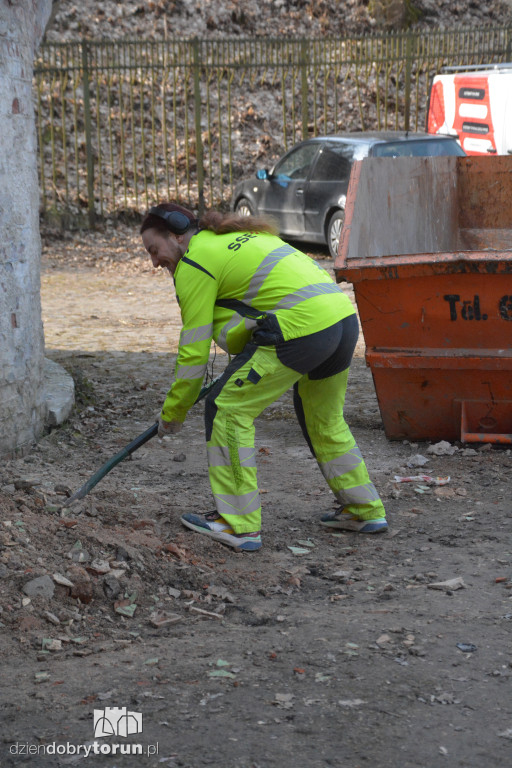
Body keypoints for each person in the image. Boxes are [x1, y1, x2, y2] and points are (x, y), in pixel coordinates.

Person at [140, 202, 387, 552]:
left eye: (155, 250)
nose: (154, 262)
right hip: (341, 321)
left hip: (299, 329)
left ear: (178, 235)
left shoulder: (194, 261)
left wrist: (173, 414)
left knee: (227, 410)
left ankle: (238, 525)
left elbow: (193, 351)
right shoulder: (235, 238)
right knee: (324, 419)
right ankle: (364, 509)